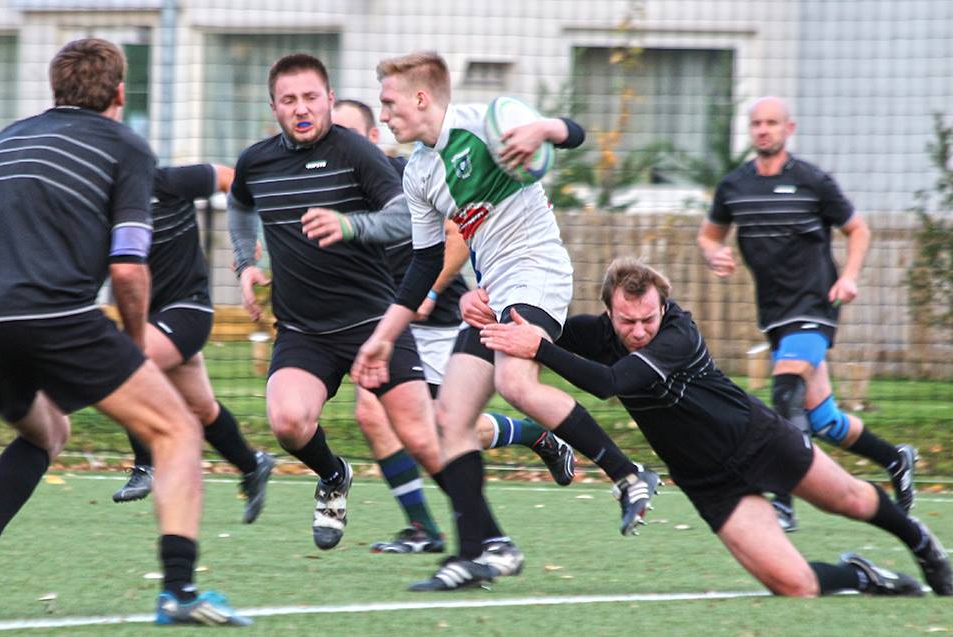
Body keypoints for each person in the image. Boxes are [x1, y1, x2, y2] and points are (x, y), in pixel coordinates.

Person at [0, 39, 248, 624]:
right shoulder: (125, 146)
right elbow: (128, 268)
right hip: (56, 312)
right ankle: (179, 591)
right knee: (177, 429)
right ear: (119, 93)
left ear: (55, 89)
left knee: (46, 432)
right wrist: (134, 350)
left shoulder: (5, 140)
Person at [352, 51, 657, 591]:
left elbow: (575, 134)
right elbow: (424, 263)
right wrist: (383, 338)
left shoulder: (487, 123)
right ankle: (481, 551)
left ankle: (627, 475)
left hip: (537, 273)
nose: (385, 115)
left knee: (516, 383)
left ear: (421, 98)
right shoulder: (419, 172)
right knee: (450, 418)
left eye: (390, 103)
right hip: (494, 290)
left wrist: (543, 129)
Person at [479, 258, 951, 597]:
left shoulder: (678, 334)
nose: (639, 330)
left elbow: (608, 383)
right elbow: (539, 330)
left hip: (759, 440)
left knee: (851, 499)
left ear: (663, 306)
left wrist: (539, 348)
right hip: (706, 480)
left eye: (648, 318)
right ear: (609, 313)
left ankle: (922, 545)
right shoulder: (600, 333)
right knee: (794, 585)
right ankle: (863, 576)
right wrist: (496, 317)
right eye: (628, 321)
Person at [313, 99, 575, 554]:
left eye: (349, 133)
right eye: (333, 134)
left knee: (441, 427)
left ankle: (529, 441)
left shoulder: (406, 174)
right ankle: (424, 528)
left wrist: (430, 293)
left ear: (372, 138)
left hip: (436, 317)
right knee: (373, 415)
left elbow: (456, 233)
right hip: (388, 320)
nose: (339, 143)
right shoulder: (331, 193)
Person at [228, 53, 445, 553]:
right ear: (274, 108)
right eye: (288, 100)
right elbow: (238, 205)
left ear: (328, 99)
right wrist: (245, 263)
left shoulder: (355, 151)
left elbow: (405, 219)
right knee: (288, 424)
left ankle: (477, 534)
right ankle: (333, 475)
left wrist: (349, 225)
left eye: (310, 97)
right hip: (303, 331)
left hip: (372, 324)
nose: (301, 108)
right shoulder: (256, 161)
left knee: (422, 435)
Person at [697, 96, 916, 532]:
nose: (763, 130)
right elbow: (709, 235)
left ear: (789, 129)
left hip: (815, 304)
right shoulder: (734, 186)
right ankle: (895, 458)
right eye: (757, 123)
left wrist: (848, 277)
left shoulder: (813, 181)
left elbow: (858, 229)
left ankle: (783, 501)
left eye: (772, 123)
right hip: (774, 313)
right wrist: (714, 253)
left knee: (785, 393)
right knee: (822, 420)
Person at [111, 163, 275, 525]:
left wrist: (246, 238)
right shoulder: (100, 206)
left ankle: (146, 466)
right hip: (149, 321)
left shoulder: (167, 181)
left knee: (125, 363)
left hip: (188, 310)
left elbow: (232, 178)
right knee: (202, 408)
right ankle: (252, 465)